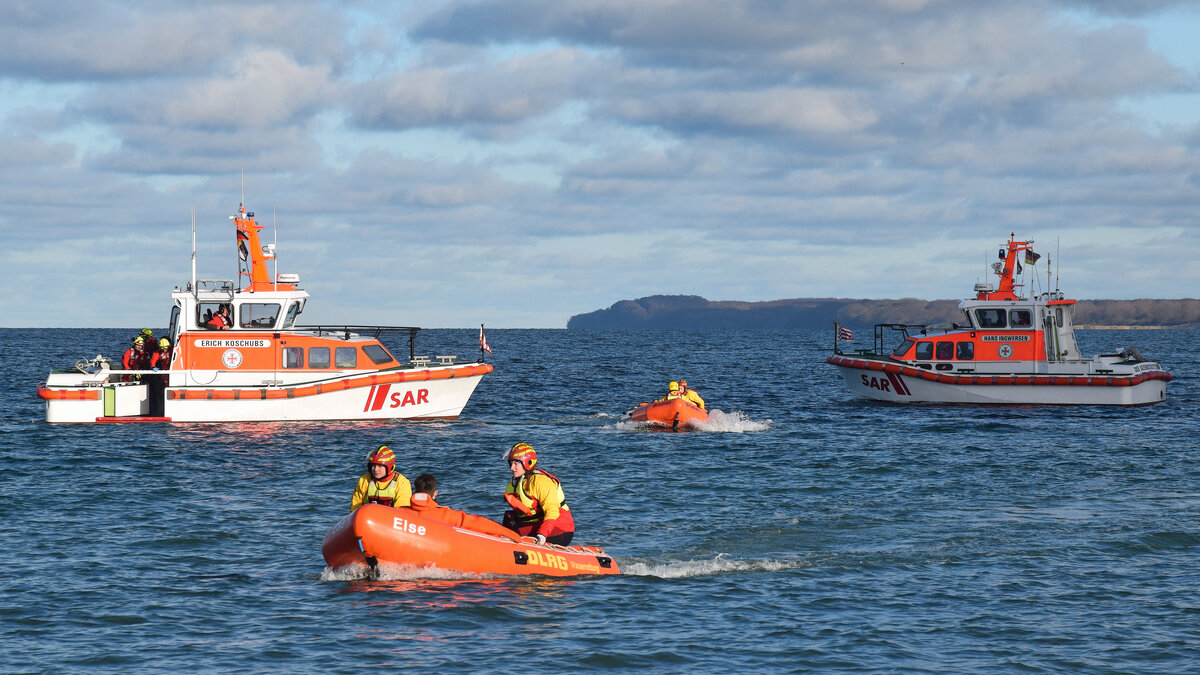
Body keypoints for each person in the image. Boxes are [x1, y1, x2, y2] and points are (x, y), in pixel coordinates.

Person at [409, 474, 519, 542]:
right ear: (435, 493)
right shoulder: (446, 515)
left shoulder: (400, 511)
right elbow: (478, 522)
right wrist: (513, 535)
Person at [501, 442, 574, 546]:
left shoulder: (541, 482)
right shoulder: (514, 484)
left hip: (558, 528)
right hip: (535, 524)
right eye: (511, 464)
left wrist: (542, 534)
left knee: (515, 532)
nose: (512, 468)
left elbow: (552, 511)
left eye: (515, 464)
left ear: (527, 462)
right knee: (509, 517)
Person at [350, 445, 412, 510]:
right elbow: (355, 508)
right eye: (373, 465)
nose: (376, 469)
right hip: (368, 517)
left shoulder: (402, 483)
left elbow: (401, 511)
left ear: (390, 467)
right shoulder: (364, 480)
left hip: (390, 518)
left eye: (380, 466)